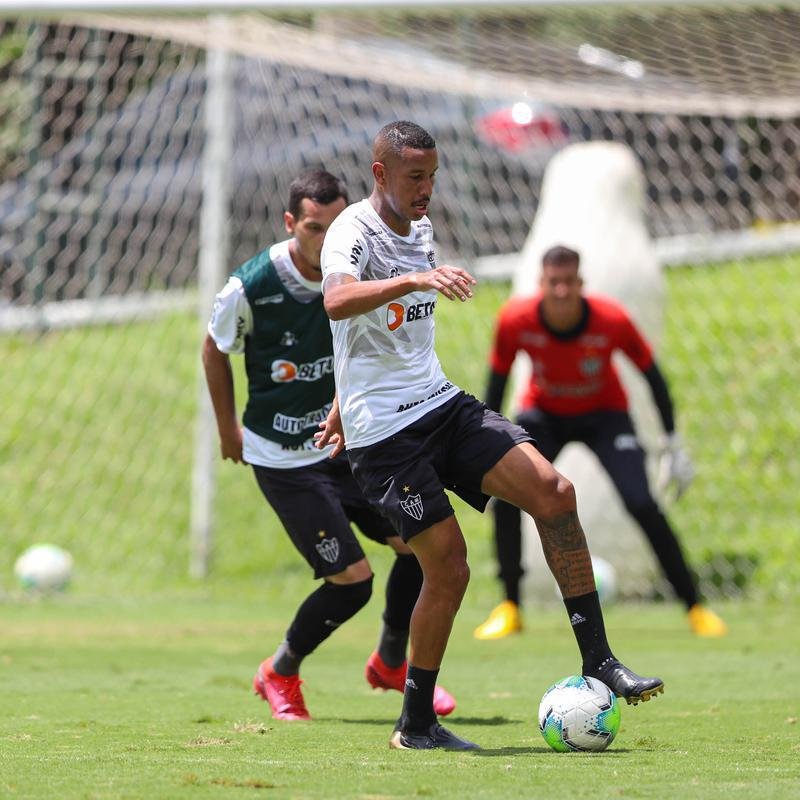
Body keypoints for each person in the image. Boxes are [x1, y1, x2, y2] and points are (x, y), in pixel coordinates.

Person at [318, 120, 663, 752]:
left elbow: (377, 341)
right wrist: (415, 282)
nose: (426, 189)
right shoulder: (351, 231)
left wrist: (343, 393)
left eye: (432, 176)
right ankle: (415, 722)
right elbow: (338, 303)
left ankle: (599, 661)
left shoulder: (419, 228)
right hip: (386, 438)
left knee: (554, 491)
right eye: (414, 177)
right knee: (448, 568)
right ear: (380, 174)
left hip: (439, 404)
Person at [202, 169, 456, 723]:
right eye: (312, 227)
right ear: (291, 223)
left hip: (348, 446)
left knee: (417, 548)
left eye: (333, 226)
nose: (324, 239)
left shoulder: (360, 268)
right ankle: (280, 671)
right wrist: (227, 429)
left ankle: (392, 662)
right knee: (352, 582)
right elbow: (214, 349)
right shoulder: (252, 286)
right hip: (285, 460)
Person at [473, 244, 727, 641]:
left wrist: (672, 443)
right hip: (544, 416)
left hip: (605, 417)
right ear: (542, 283)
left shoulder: (611, 319)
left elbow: (652, 376)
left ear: (581, 283)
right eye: (553, 283)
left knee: (641, 502)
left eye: (569, 282)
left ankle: (695, 606)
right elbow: (497, 383)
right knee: (507, 499)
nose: (561, 291)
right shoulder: (515, 320)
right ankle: (510, 606)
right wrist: (486, 444)